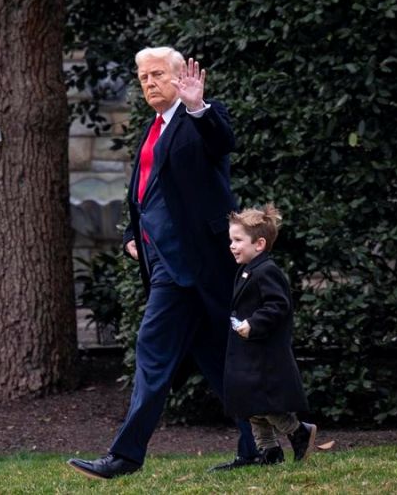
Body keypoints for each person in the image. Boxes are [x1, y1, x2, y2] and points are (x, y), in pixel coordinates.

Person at [67, 46, 258, 480]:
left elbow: (223, 141)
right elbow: (150, 197)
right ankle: (276, 439)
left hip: (198, 266)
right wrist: (134, 236)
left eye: (157, 74)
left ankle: (125, 456)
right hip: (167, 266)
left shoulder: (198, 119)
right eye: (142, 77)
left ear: (180, 78)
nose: (149, 83)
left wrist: (198, 107)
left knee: (152, 354)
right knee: (219, 363)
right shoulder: (153, 128)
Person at [225, 204, 317, 465]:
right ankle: (270, 450)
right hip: (249, 352)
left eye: (238, 240)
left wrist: (254, 323)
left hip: (264, 354)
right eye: (231, 240)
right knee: (249, 405)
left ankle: (299, 431)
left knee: (263, 403)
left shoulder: (267, 271)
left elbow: (278, 305)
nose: (232, 245)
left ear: (260, 244)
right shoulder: (246, 270)